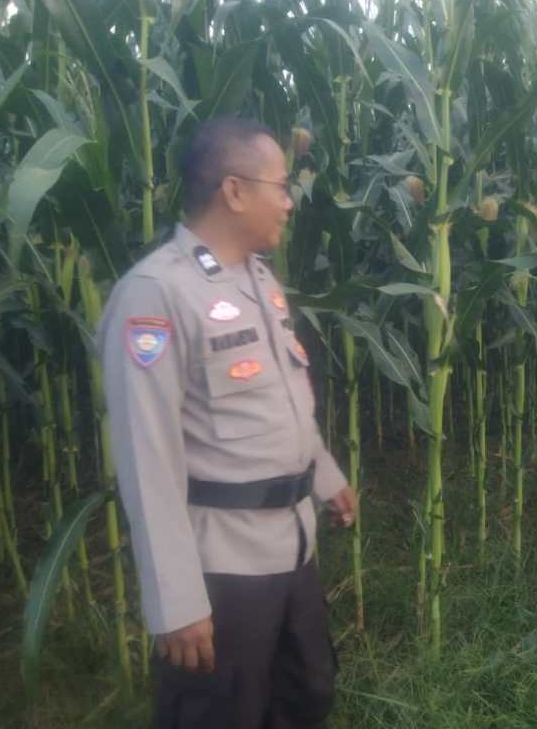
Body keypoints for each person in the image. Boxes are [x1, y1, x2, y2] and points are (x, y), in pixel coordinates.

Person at [100, 117, 357, 729]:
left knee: (304, 696)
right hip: (223, 566)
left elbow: (282, 395)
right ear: (235, 191)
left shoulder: (259, 281)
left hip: (292, 546)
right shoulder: (155, 295)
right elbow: (146, 456)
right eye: (281, 186)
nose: (290, 202)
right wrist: (176, 600)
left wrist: (325, 475)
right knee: (222, 714)